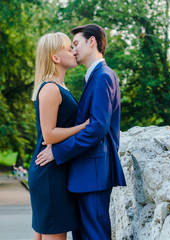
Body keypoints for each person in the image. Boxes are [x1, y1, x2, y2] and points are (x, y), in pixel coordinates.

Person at [36, 24, 126, 240]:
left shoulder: (103, 75)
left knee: (94, 234)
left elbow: (97, 128)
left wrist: (57, 151)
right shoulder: (94, 76)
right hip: (85, 173)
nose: (74, 50)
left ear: (92, 41)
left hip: (93, 173)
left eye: (76, 44)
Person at [28, 32, 89, 240]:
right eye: (67, 48)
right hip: (49, 174)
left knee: (43, 235)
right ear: (55, 58)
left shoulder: (60, 87)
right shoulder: (51, 88)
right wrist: (83, 127)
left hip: (55, 171)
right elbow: (49, 135)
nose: (73, 51)